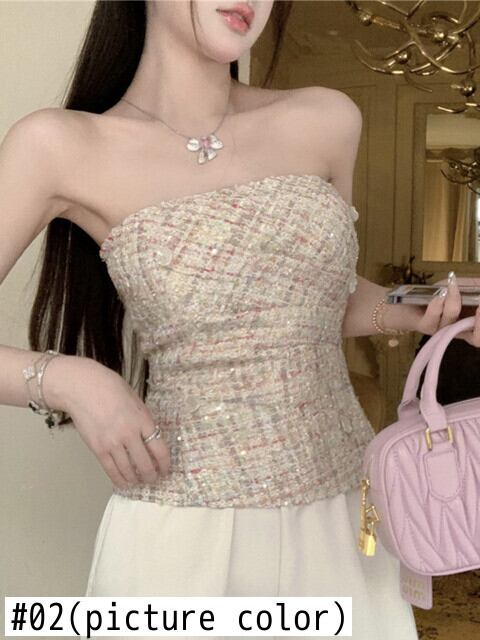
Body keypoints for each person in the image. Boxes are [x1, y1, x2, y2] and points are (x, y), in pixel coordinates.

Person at [2, 1, 480, 638]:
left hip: (342, 515)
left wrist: (415, 310)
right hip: (184, 530)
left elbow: (316, 301)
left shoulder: (327, 119)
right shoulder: (59, 145)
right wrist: (68, 381)